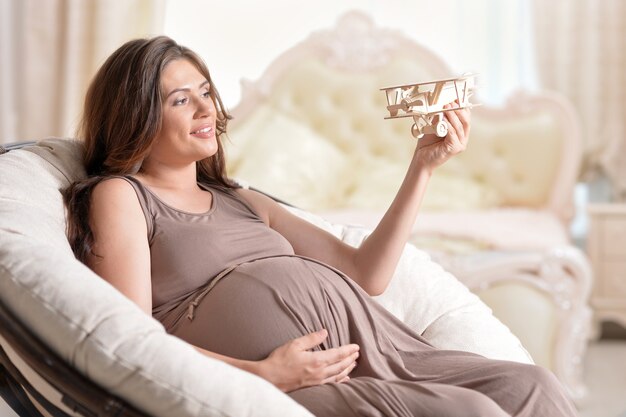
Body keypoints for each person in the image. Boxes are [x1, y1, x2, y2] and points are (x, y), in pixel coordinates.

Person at [63, 36, 576, 416]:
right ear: (135, 116)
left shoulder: (240, 198)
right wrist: (263, 374)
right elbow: (130, 337)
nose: (206, 109)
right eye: (180, 100)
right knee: (475, 414)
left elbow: (366, 273)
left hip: (382, 350)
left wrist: (423, 165)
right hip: (291, 383)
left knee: (535, 386)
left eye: (205, 91)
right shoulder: (122, 196)